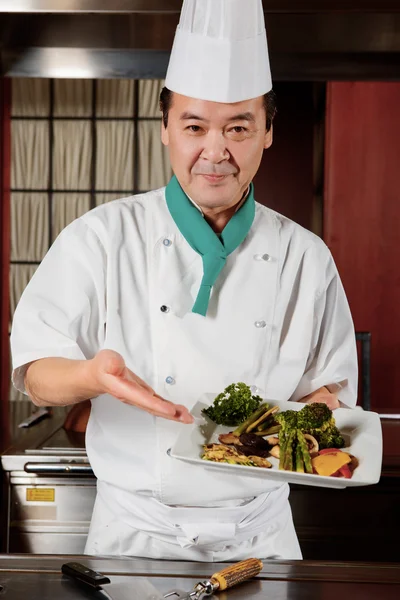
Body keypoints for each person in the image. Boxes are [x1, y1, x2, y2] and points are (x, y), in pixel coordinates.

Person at [10, 0, 357, 561]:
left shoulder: (305, 256)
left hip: (259, 534)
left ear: (268, 131)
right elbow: (35, 371)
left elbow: (332, 390)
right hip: (136, 532)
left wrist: (319, 411)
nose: (215, 153)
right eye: (195, 126)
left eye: (239, 128)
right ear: (166, 128)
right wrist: (94, 375)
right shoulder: (100, 237)